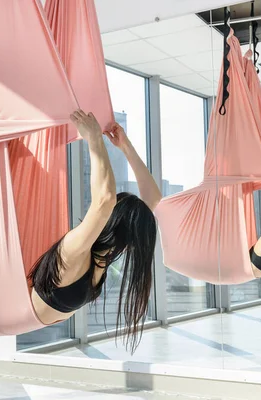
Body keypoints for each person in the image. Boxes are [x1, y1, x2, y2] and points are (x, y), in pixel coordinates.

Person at [28, 110, 161, 354]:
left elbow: (107, 199)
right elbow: (153, 199)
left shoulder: (88, 250)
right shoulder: (88, 249)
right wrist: (125, 146)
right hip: (32, 315)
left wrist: (94, 138)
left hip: (33, 316)